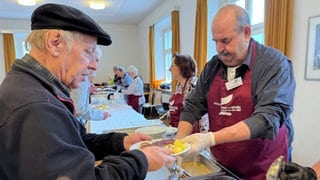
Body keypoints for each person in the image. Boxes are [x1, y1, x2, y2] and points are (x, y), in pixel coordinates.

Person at [0, 3, 174, 179]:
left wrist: (119, 142)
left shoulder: (35, 89)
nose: (93, 65)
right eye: (88, 52)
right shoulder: (36, 106)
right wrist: (140, 161)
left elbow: (73, 141)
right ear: (55, 42)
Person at [177, 4, 295, 179]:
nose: (218, 49)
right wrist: (178, 144)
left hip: (264, 168)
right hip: (223, 166)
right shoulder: (213, 67)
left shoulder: (274, 64)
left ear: (246, 33)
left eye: (225, 40)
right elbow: (194, 105)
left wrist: (209, 138)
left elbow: (266, 119)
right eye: (215, 41)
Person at [70, 47, 110, 125]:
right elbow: (78, 110)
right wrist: (101, 115)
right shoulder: (81, 77)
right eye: (97, 60)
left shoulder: (80, 75)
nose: (97, 66)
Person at [168, 53, 198, 127]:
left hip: (188, 130)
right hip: (177, 127)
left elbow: (192, 115)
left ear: (182, 67)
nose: (169, 69)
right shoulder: (180, 84)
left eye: (172, 65)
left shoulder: (193, 84)